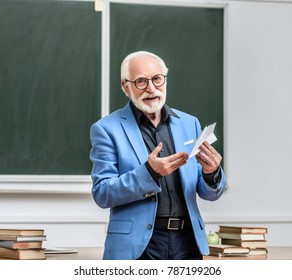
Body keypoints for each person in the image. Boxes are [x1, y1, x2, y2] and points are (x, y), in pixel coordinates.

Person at [89, 51, 226, 260]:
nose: (151, 88)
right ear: (126, 87)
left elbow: (210, 193)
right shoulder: (106, 129)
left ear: (165, 80)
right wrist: (149, 173)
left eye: (157, 79)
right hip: (139, 246)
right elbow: (102, 193)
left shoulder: (190, 123)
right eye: (141, 82)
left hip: (188, 243)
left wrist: (211, 172)